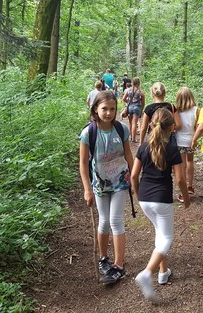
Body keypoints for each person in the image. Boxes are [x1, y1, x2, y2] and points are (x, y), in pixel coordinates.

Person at [131, 108, 190, 301]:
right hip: (162, 199)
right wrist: (186, 198)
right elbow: (181, 179)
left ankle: (163, 273)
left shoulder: (143, 147)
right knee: (166, 238)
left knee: (159, 232)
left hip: (145, 199)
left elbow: (133, 175)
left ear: (151, 125)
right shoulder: (172, 150)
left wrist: (138, 193)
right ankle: (147, 273)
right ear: (172, 127)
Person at [79, 90, 134, 284]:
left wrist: (134, 179)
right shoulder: (88, 133)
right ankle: (104, 259)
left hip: (120, 181)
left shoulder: (122, 129)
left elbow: (128, 155)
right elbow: (83, 164)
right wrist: (87, 189)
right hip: (100, 184)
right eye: (104, 109)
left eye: (112, 109)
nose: (109, 113)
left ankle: (119, 265)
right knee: (103, 222)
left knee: (116, 220)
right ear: (95, 109)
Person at [174, 87, 199, 202]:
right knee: (190, 162)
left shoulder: (176, 111)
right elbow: (197, 127)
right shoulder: (196, 110)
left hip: (179, 141)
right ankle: (190, 186)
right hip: (191, 140)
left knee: (182, 165)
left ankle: (183, 193)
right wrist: (195, 138)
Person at [123, 77, 145, 143]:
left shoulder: (128, 90)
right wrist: (142, 109)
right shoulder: (141, 92)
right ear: (139, 83)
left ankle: (131, 137)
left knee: (130, 123)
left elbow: (124, 99)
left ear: (132, 83)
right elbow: (143, 103)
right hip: (137, 108)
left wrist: (128, 101)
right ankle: (133, 139)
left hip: (130, 107)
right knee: (134, 123)